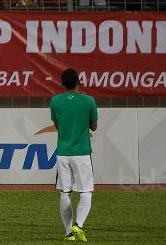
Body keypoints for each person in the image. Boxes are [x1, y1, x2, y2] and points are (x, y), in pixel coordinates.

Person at [50, 68, 98, 242]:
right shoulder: (89, 101)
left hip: (63, 153)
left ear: (62, 83)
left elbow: (57, 125)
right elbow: (94, 126)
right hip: (82, 153)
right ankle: (79, 224)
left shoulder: (55, 101)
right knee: (86, 191)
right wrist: (83, 127)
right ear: (79, 82)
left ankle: (69, 233)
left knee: (65, 192)